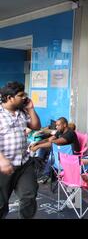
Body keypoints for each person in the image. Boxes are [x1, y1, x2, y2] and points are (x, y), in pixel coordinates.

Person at [0, 81, 41, 219]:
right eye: (20, 95)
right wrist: (2, 160)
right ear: (9, 97)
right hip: (3, 167)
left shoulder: (22, 111)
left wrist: (30, 109)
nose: (24, 97)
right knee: (1, 203)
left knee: (29, 195)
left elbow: (36, 126)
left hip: (24, 164)